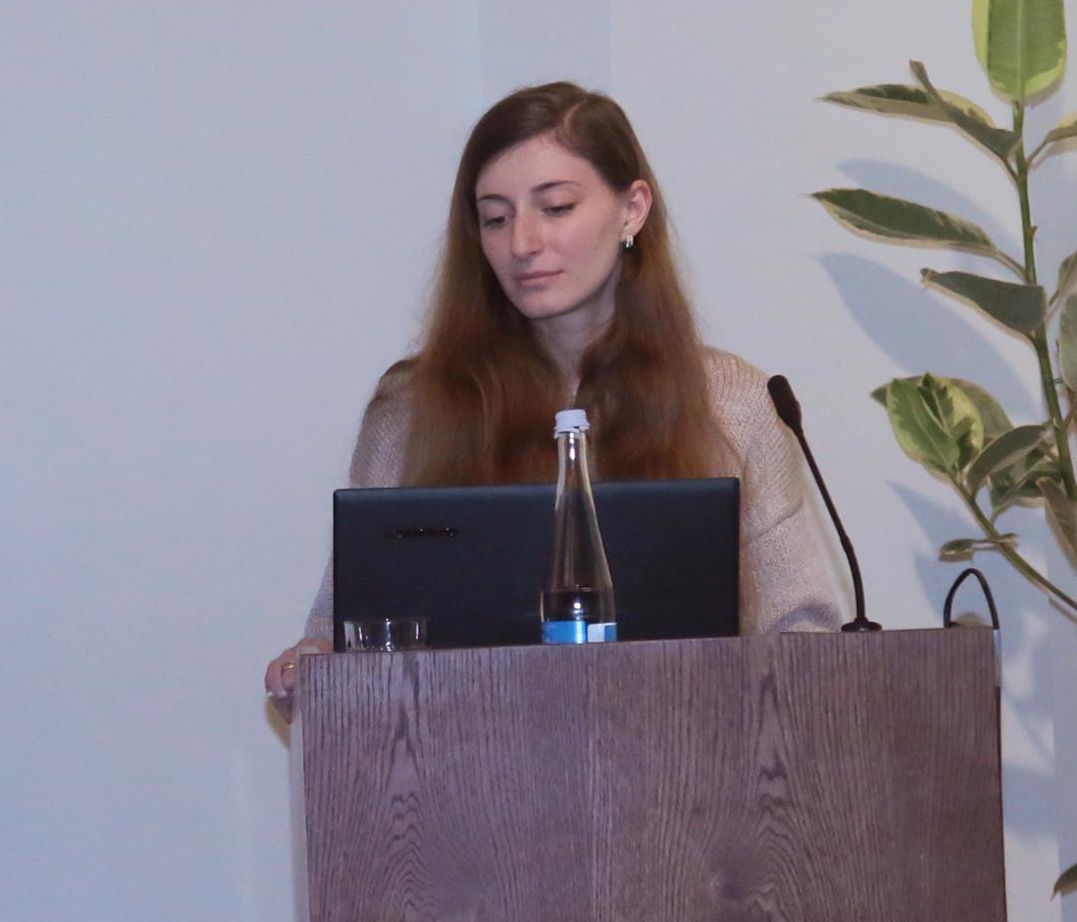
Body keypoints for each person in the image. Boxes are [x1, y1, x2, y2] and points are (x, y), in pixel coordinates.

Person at [265, 82, 843, 711]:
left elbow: (804, 640)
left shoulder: (733, 402)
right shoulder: (412, 408)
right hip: (464, 759)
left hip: (687, 755)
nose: (522, 243)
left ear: (632, 210)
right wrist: (311, 670)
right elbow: (338, 636)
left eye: (556, 207)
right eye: (496, 217)